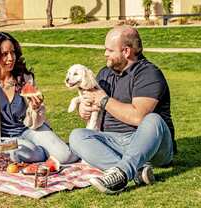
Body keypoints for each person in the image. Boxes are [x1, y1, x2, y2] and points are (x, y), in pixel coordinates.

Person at [69, 26, 177, 194]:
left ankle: (122, 173)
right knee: (77, 136)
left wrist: (104, 99)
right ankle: (136, 172)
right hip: (115, 142)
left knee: (152, 119)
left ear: (126, 51)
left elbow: (138, 117)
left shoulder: (148, 74)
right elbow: (95, 107)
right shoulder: (104, 73)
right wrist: (85, 108)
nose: (105, 54)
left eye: (109, 50)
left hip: (152, 145)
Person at [0, 32, 78, 164]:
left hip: (28, 129)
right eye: (4, 54)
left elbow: (37, 122)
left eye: (13, 52)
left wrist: (35, 108)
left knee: (65, 156)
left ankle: (46, 150)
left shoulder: (24, 78)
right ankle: (41, 152)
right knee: (19, 151)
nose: (11, 58)